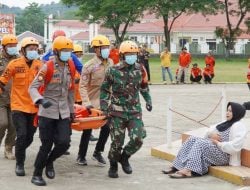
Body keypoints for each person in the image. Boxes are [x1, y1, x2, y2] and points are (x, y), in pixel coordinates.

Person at [100, 40, 152, 178]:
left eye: (134, 54)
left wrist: (148, 100)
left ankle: (124, 157)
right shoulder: (113, 70)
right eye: (129, 54)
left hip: (134, 111)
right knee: (117, 142)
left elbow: (144, 86)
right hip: (117, 112)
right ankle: (113, 165)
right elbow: (105, 89)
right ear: (122, 55)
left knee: (138, 138)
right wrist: (104, 107)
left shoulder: (140, 69)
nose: (132, 56)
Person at [29, 36, 75, 186]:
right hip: (47, 112)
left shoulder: (70, 66)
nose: (67, 53)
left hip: (63, 111)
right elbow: (33, 87)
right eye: (64, 51)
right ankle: (36, 174)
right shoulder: (47, 66)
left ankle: (49, 162)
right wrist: (40, 100)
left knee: (64, 143)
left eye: (69, 51)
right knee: (46, 145)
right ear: (56, 51)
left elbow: (70, 91)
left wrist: (72, 110)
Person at [162, 102, 246, 178]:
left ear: (236, 113)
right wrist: (211, 135)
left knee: (200, 142)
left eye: (230, 111)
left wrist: (217, 143)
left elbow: (235, 146)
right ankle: (177, 166)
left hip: (224, 155)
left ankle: (189, 170)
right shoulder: (225, 123)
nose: (227, 113)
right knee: (192, 138)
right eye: (227, 110)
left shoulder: (238, 126)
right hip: (214, 150)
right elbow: (208, 132)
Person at [0, 37, 42, 176]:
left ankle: (16, 147)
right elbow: (2, 81)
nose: (33, 51)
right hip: (18, 105)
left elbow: (48, 83)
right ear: (23, 50)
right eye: (30, 49)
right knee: (22, 134)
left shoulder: (41, 65)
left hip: (34, 107)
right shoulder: (14, 64)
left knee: (29, 137)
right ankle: (20, 164)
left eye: (35, 49)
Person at [77, 35, 113, 166]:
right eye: (103, 47)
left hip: (106, 102)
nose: (106, 50)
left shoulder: (110, 62)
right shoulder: (89, 66)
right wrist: (86, 103)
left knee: (107, 127)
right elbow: (82, 86)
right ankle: (81, 156)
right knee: (88, 130)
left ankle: (98, 152)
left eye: (107, 47)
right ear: (96, 49)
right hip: (91, 103)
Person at [0, 34, 18, 160]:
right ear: (4, 47)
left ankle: (8, 148)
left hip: (16, 98)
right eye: (10, 46)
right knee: (2, 123)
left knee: (14, 125)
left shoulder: (19, 60)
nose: (12, 48)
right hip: (1, 98)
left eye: (14, 46)